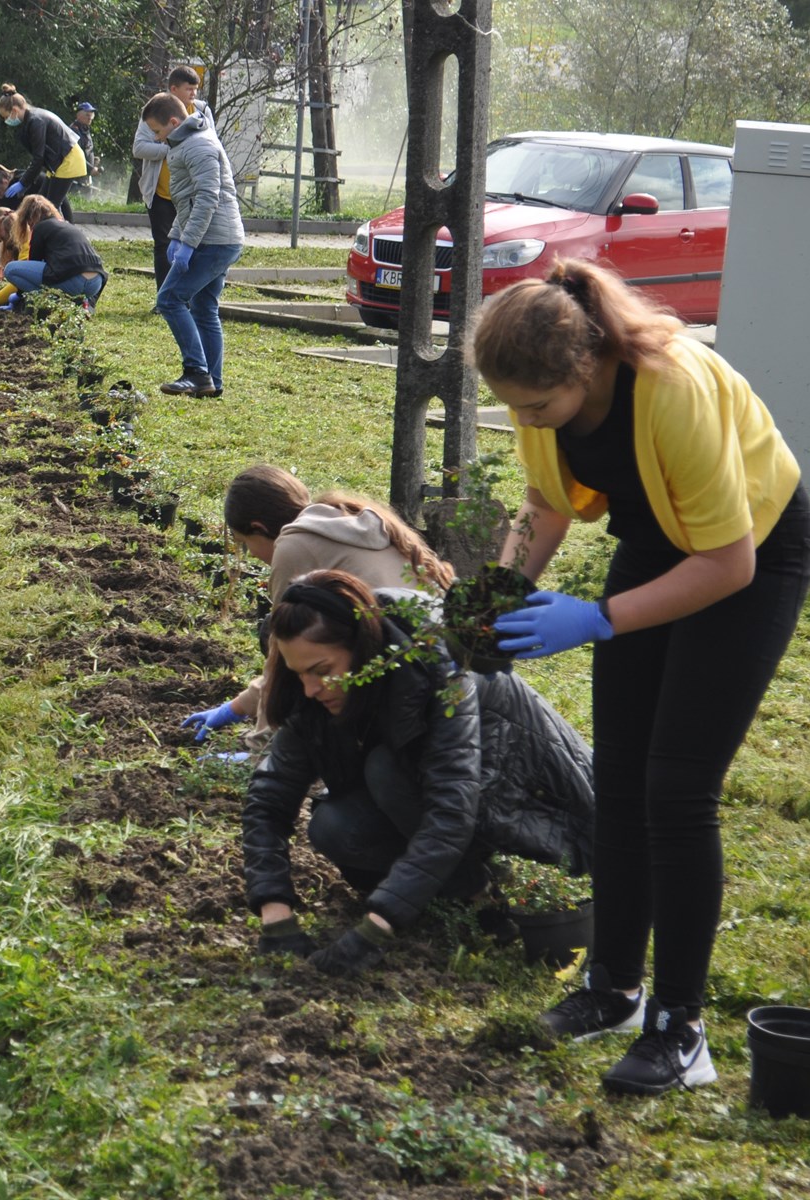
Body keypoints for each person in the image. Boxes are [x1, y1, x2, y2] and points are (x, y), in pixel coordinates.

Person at [468, 259, 810, 1096]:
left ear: (584, 366)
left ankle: (679, 1029)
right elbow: (545, 504)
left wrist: (599, 616)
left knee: (675, 789)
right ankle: (611, 989)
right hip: (659, 543)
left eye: (534, 406)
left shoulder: (670, 386)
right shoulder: (540, 399)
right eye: (512, 407)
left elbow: (726, 563)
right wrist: (487, 604)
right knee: (617, 780)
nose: (524, 420)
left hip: (752, 556)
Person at [242, 570, 595, 978]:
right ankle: (439, 890)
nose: (310, 688)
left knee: (384, 771)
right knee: (334, 828)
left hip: (526, 801)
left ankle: (481, 892)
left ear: (362, 649)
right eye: (299, 673)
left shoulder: (438, 667)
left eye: (321, 670)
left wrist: (372, 933)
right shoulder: (312, 688)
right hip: (435, 797)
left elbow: (451, 811)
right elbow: (270, 796)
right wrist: (276, 917)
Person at [184, 465, 454, 738]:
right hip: (434, 666)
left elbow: (280, 657)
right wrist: (236, 707)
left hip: (394, 682)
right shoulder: (343, 519)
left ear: (259, 527)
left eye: (246, 543)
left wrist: (262, 745)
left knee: (285, 630)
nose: (251, 555)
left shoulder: (293, 545)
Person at [141, 91, 244, 398]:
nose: (157, 139)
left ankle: (196, 372)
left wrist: (187, 244)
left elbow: (206, 199)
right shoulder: (185, 142)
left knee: (170, 299)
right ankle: (212, 382)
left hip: (213, 240)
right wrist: (175, 236)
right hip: (217, 238)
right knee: (203, 307)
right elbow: (186, 203)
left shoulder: (198, 146)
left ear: (173, 122)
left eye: (158, 132)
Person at [132, 67, 215, 290]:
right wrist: (169, 150)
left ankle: (186, 292)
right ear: (174, 89)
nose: (193, 94)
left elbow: (211, 146)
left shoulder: (201, 112)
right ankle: (164, 294)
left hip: (188, 194)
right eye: (189, 89)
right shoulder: (155, 111)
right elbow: (139, 147)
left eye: (195, 89)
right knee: (163, 245)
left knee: (191, 244)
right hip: (160, 192)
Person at [0, 196, 106, 312]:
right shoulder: (66, 225)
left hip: (74, 280)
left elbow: (33, 263)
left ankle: (55, 301)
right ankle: (81, 302)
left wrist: (18, 296)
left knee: (11, 269)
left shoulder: (40, 228)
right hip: (95, 284)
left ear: (29, 218)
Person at [0, 84, 89, 222]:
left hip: (68, 160)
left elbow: (38, 158)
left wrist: (23, 183)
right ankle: (66, 231)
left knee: (47, 208)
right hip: (59, 161)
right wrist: (25, 183)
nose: (6, 121)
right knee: (39, 203)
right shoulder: (32, 118)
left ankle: (61, 236)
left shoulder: (36, 121)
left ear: (15, 110)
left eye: (6, 116)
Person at [70, 101, 102, 190]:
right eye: (87, 115)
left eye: (91, 115)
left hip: (85, 177)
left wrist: (93, 159)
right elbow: (75, 156)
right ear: (79, 116)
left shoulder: (85, 130)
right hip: (75, 178)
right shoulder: (74, 131)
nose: (90, 118)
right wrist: (91, 168)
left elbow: (85, 150)